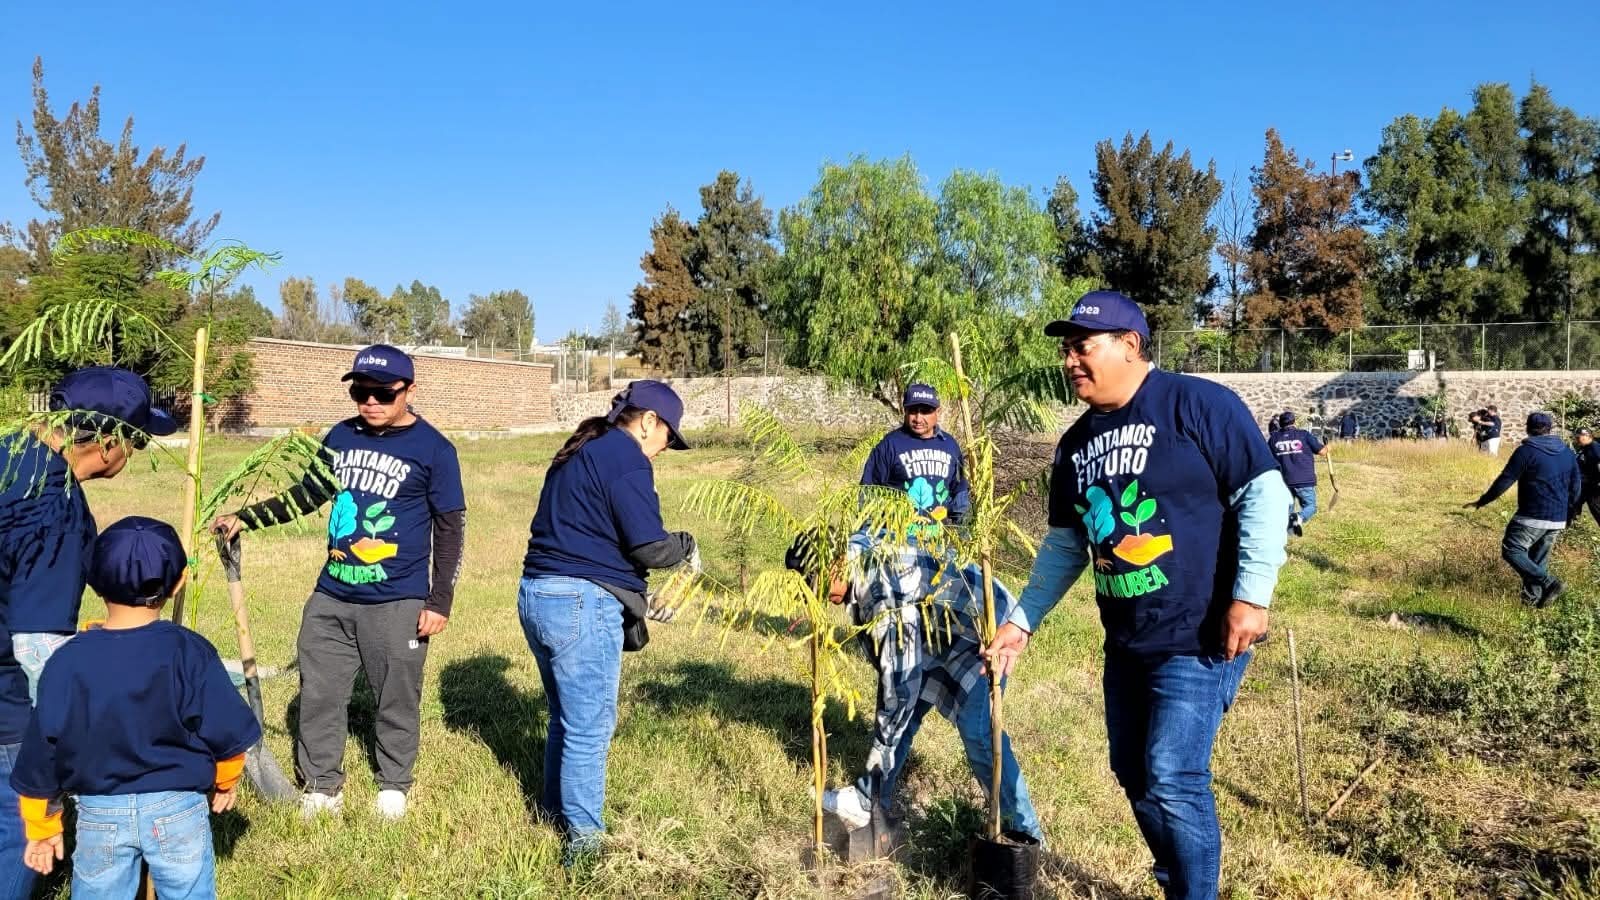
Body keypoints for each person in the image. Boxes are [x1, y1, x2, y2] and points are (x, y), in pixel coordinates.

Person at [985, 290, 1291, 900]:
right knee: (1133, 773)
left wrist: (1251, 597)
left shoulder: (1198, 404)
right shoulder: (1074, 446)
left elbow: (1265, 494)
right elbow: (1068, 545)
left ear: (1130, 345)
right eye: (1066, 349)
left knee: (1174, 776)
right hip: (1126, 640)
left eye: (1083, 346)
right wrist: (1021, 621)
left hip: (1200, 633)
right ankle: (1180, 874)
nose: (1070, 359)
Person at [212, 344, 465, 820]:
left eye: (382, 394)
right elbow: (306, 496)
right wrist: (247, 517)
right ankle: (322, 785)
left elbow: (451, 528)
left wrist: (440, 600)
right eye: (360, 393)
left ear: (408, 390)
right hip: (331, 593)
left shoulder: (434, 449)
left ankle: (394, 783)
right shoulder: (339, 437)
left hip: (398, 597)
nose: (369, 402)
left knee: (395, 695)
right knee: (321, 691)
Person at [819, 387, 1039, 841]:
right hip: (937, 632)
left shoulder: (882, 594)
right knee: (907, 717)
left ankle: (1025, 835)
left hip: (986, 635)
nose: (825, 596)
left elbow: (895, 687)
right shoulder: (870, 558)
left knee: (979, 737)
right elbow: (866, 510)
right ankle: (874, 805)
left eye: (824, 585)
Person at [10, 516, 259, 900]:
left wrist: (43, 829)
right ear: (178, 584)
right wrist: (226, 780)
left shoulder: (68, 661)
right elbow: (226, 728)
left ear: (93, 582)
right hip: (179, 809)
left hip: (100, 813)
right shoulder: (189, 651)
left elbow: (42, 749)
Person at [0, 366, 174, 900]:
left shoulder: (8, 452)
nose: (133, 455)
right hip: (5, 700)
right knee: (16, 826)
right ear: (107, 440)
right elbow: (36, 648)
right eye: (137, 441)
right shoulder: (55, 505)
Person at [519, 380, 695, 863]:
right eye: (668, 438)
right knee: (589, 729)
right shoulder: (626, 457)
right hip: (581, 602)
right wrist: (687, 545)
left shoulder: (583, 447)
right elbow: (649, 546)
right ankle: (586, 850)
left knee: (566, 720)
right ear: (648, 421)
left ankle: (554, 814)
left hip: (537, 595)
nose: (664, 450)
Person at [1466, 412, 1582, 608]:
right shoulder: (1567, 452)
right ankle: (1531, 604)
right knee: (1537, 561)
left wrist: (1482, 501)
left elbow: (1505, 481)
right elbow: (1576, 486)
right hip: (1558, 518)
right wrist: (1571, 512)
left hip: (1533, 515)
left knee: (1512, 550)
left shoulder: (1526, 451)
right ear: (1550, 428)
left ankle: (1550, 583)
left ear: (1527, 428)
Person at [860, 383, 970, 531]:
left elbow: (959, 491)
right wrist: (868, 534)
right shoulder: (889, 445)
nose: (918, 418)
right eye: (912, 411)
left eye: (925, 411)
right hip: (897, 540)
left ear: (938, 411)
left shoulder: (950, 446)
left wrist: (964, 533)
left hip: (938, 541)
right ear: (904, 411)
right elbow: (868, 493)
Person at [1268, 411, 1328, 536]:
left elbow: (1267, 458)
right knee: (1311, 506)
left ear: (1280, 423)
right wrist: (1328, 447)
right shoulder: (1303, 435)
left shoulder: (1273, 439)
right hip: (1304, 479)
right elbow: (1322, 451)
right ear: (1294, 421)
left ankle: (1288, 532)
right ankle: (1299, 517)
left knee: (1287, 509)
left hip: (1283, 480)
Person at [1575, 428, 1600, 525]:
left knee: (1596, 509)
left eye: (1578, 437)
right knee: (1573, 507)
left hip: (1594, 488)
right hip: (1584, 487)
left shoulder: (1595, 447)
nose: (1576, 439)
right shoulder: (1584, 449)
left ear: (1587, 436)